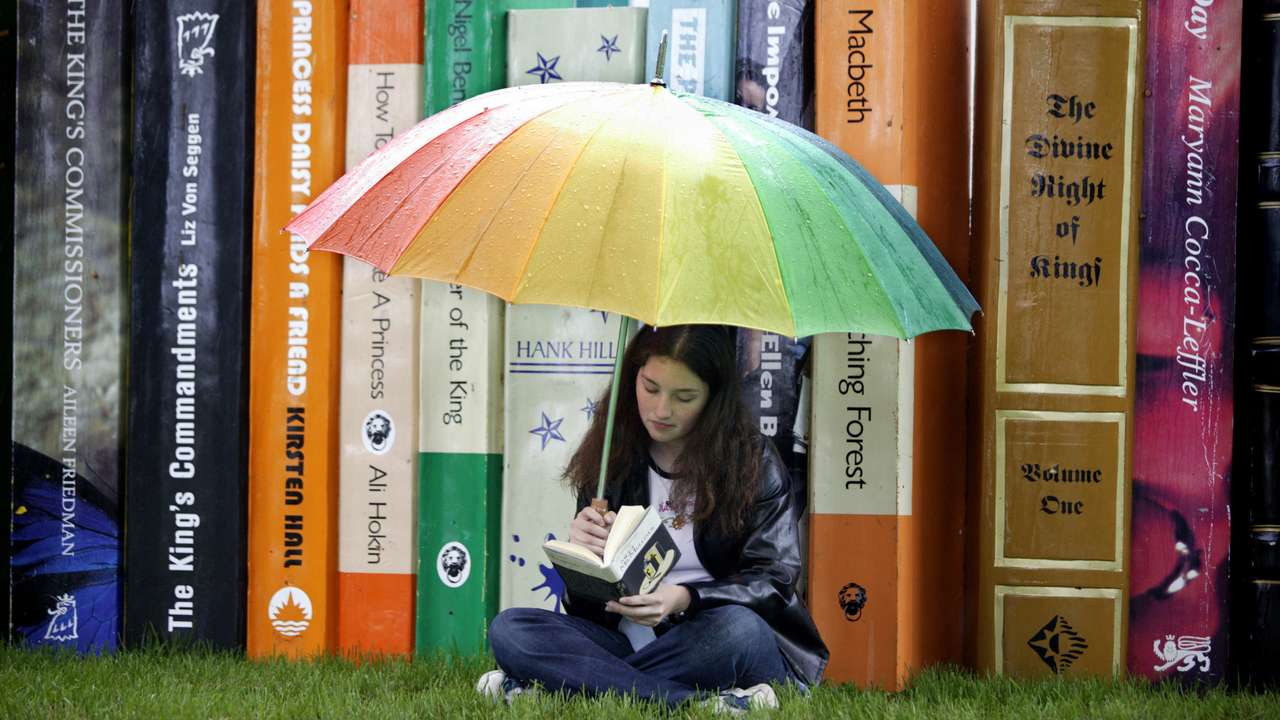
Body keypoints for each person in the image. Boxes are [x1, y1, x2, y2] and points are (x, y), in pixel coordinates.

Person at [479, 324, 828, 711]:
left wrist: (684, 598)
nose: (662, 410)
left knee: (738, 629)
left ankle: (567, 685)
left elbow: (774, 581)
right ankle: (697, 703)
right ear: (633, 379)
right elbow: (586, 613)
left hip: (717, 640)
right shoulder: (612, 456)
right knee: (511, 628)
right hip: (633, 642)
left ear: (714, 397)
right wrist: (585, 561)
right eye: (650, 388)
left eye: (684, 397)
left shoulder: (752, 461)